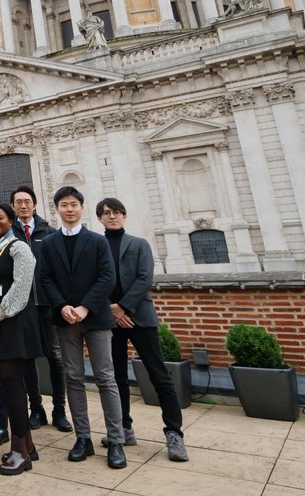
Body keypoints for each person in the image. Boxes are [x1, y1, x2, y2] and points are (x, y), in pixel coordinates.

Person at [37, 186, 126, 469]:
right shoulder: (49, 243)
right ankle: (83, 438)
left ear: (82, 208)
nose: (70, 209)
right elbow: (46, 278)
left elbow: (107, 277)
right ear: (58, 209)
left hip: (96, 317)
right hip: (65, 319)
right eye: (64, 205)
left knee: (105, 378)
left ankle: (115, 441)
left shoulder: (98, 242)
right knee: (73, 378)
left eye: (74, 204)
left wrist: (85, 306)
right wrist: (62, 305)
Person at [99, 197, 188, 462]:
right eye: (106, 213)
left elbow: (144, 278)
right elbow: (93, 281)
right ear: (100, 218)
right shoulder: (96, 245)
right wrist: (110, 309)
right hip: (109, 319)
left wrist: (122, 308)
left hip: (139, 317)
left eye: (116, 212)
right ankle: (123, 427)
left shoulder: (139, 244)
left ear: (124, 215)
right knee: (116, 377)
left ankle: (174, 433)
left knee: (158, 374)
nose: (112, 216)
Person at [0, 204, 43, 476]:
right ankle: (28, 443)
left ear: (10, 220)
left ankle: (19, 451)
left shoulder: (19, 248)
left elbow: (21, 287)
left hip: (14, 323)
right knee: (7, 383)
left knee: (13, 385)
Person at [11, 186, 72, 432]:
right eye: (18, 202)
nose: (23, 206)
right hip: (23, 308)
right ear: (13, 206)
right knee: (26, 359)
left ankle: (60, 409)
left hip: (48, 305)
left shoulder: (50, 233)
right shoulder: (9, 234)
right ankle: (36, 408)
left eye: (27, 201)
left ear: (34, 205)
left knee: (55, 357)